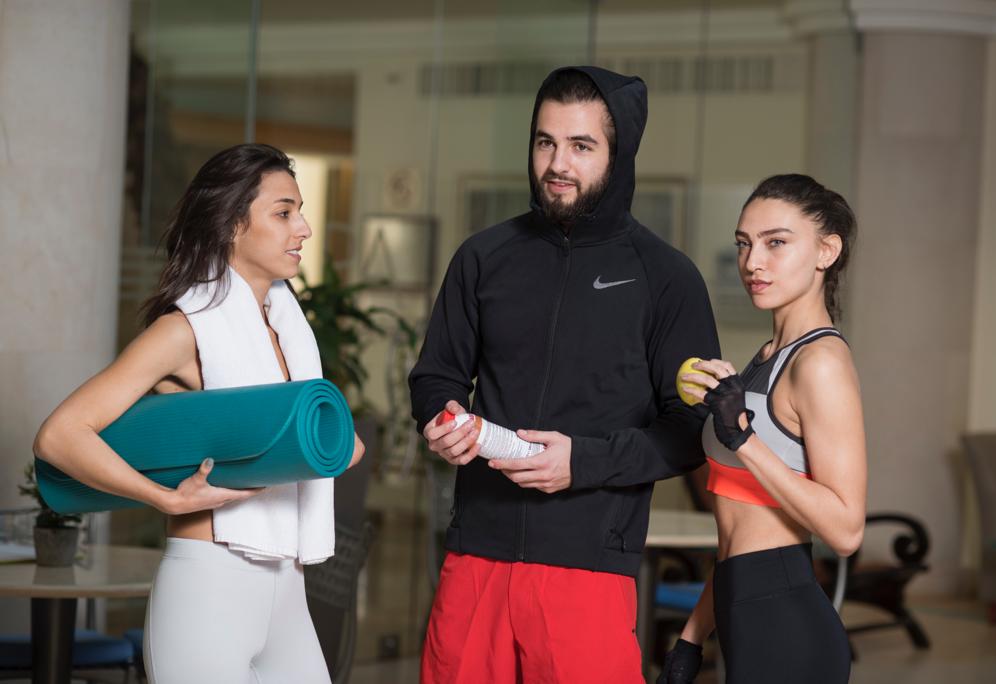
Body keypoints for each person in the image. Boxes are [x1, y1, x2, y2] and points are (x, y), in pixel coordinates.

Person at [409, 66, 720, 683]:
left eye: (581, 146)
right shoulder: (482, 258)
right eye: (545, 142)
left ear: (617, 155)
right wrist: (441, 418)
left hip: (589, 564)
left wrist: (585, 462)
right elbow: (435, 375)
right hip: (476, 556)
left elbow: (691, 429)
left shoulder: (666, 277)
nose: (557, 164)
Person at [33, 143, 363, 684]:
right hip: (209, 587)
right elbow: (60, 435)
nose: (303, 229)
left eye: (300, 212)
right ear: (232, 225)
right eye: (283, 213)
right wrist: (163, 497)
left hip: (287, 587)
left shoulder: (289, 333)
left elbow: (325, 448)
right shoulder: (186, 330)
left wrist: (324, 445)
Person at [660, 174, 866, 684]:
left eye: (776, 243)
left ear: (826, 251)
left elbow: (846, 530)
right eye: (744, 243)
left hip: (787, 628)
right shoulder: (767, 358)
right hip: (740, 615)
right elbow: (739, 536)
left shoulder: (820, 363)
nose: (753, 262)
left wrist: (745, 440)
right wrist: (691, 639)